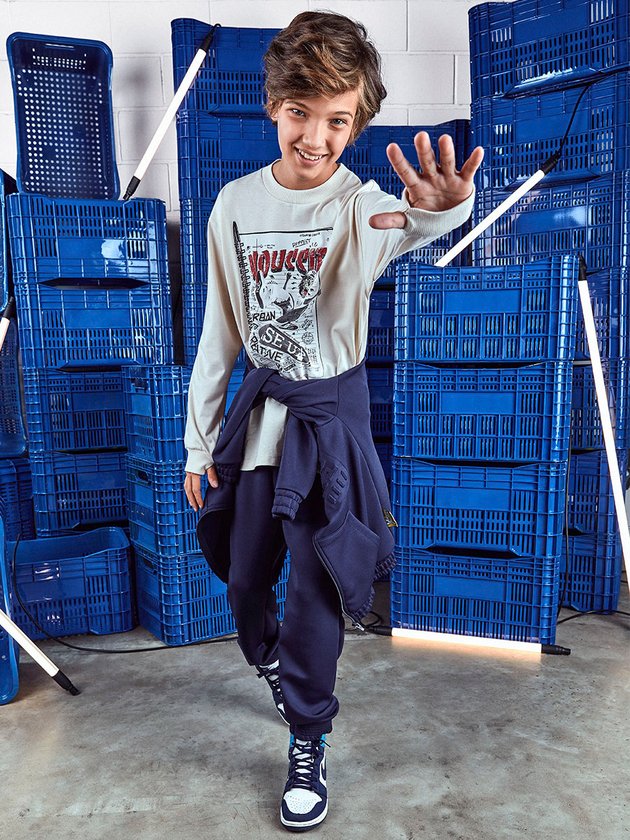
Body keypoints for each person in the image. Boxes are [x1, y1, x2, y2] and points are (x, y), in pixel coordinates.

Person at [183, 10, 483, 833]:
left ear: (357, 123)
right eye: (300, 112)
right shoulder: (233, 205)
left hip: (330, 423)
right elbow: (219, 334)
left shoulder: (359, 203)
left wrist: (443, 210)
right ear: (273, 105)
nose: (315, 137)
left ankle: (308, 736)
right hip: (259, 417)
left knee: (314, 592)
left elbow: (408, 224)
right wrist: (199, 443)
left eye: (338, 120)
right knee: (244, 578)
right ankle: (272, 662)